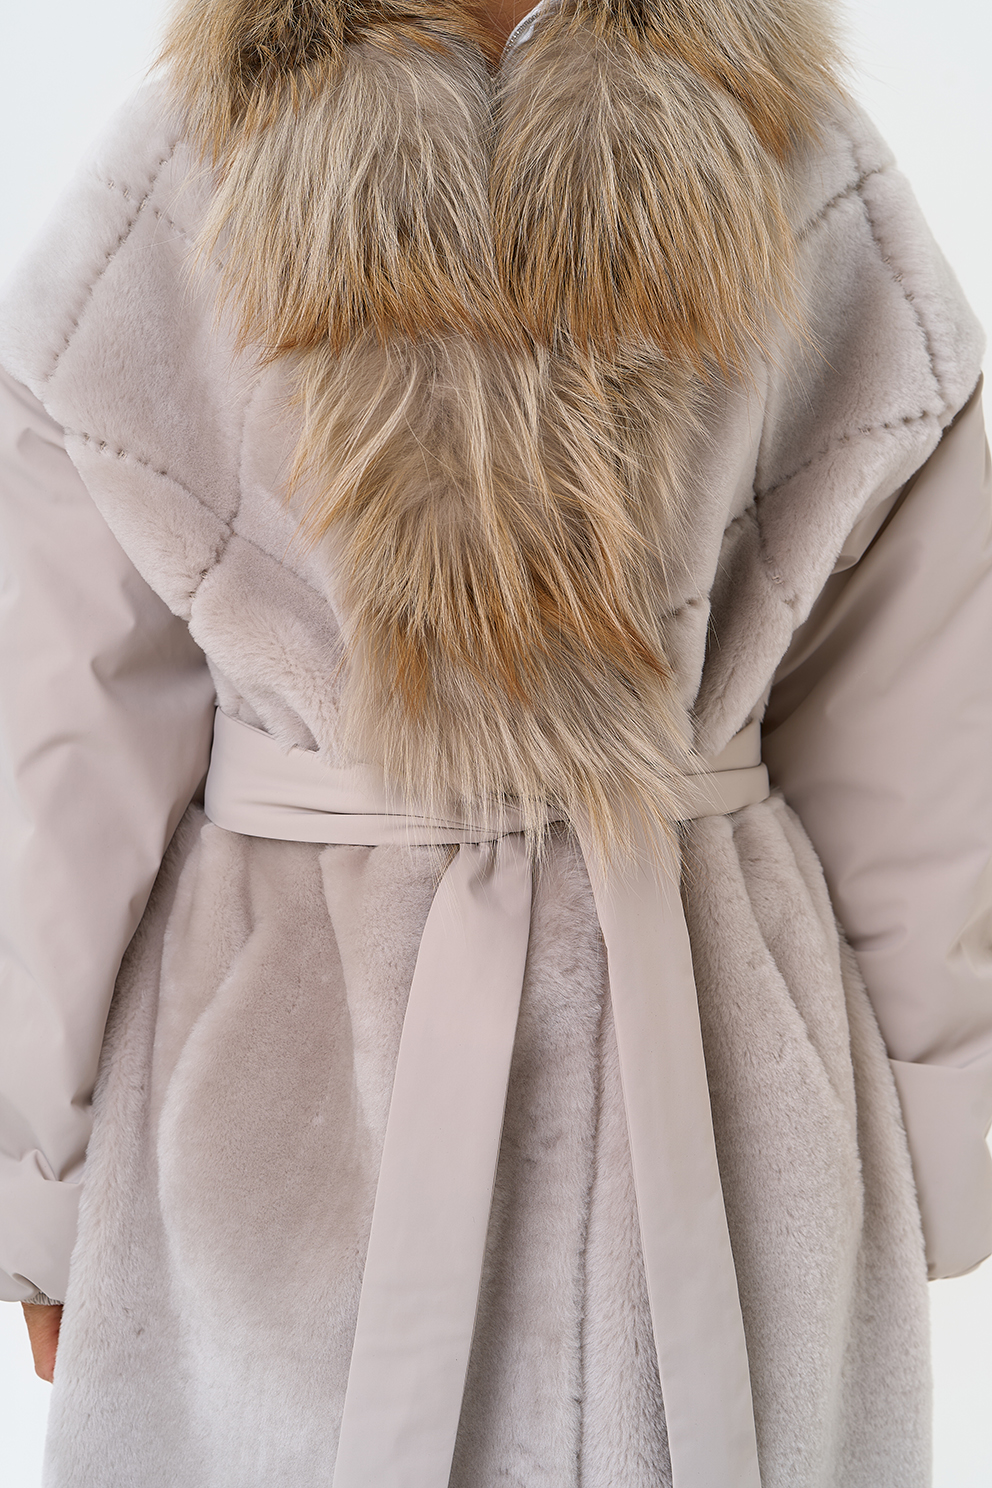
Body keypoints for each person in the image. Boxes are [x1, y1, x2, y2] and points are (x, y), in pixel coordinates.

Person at [1, 0, 990, 1483]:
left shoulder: (798, 152)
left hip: (683, 1085)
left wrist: (40, 1187)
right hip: (313, 1098)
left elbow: (916, 714)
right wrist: (33, 1175)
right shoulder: (185, 160)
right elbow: (60, 731)